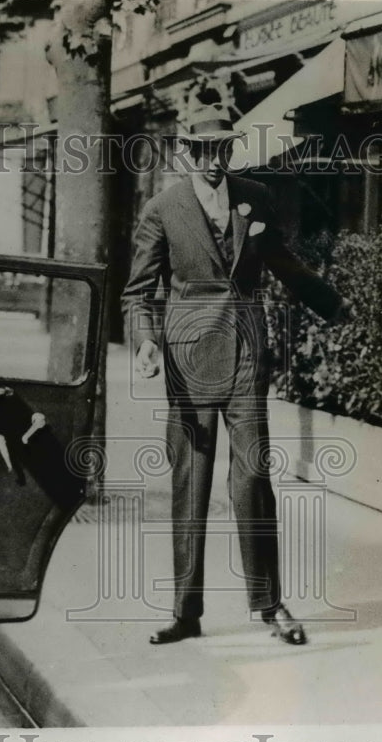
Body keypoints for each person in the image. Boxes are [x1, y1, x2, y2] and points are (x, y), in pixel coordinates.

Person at [121, 100, 350, 646]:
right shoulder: (162, 209)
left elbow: (283, 263)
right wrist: (146, 343)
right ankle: (185, 611)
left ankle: (270, 606)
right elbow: (137, 292)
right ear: (185, 153)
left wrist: (333, 305)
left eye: (221, 149)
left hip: (247, 351)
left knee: (252, 478)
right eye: (202, 151)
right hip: (188, 355)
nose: (212, 160)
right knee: (191, 480)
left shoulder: (256, 197)